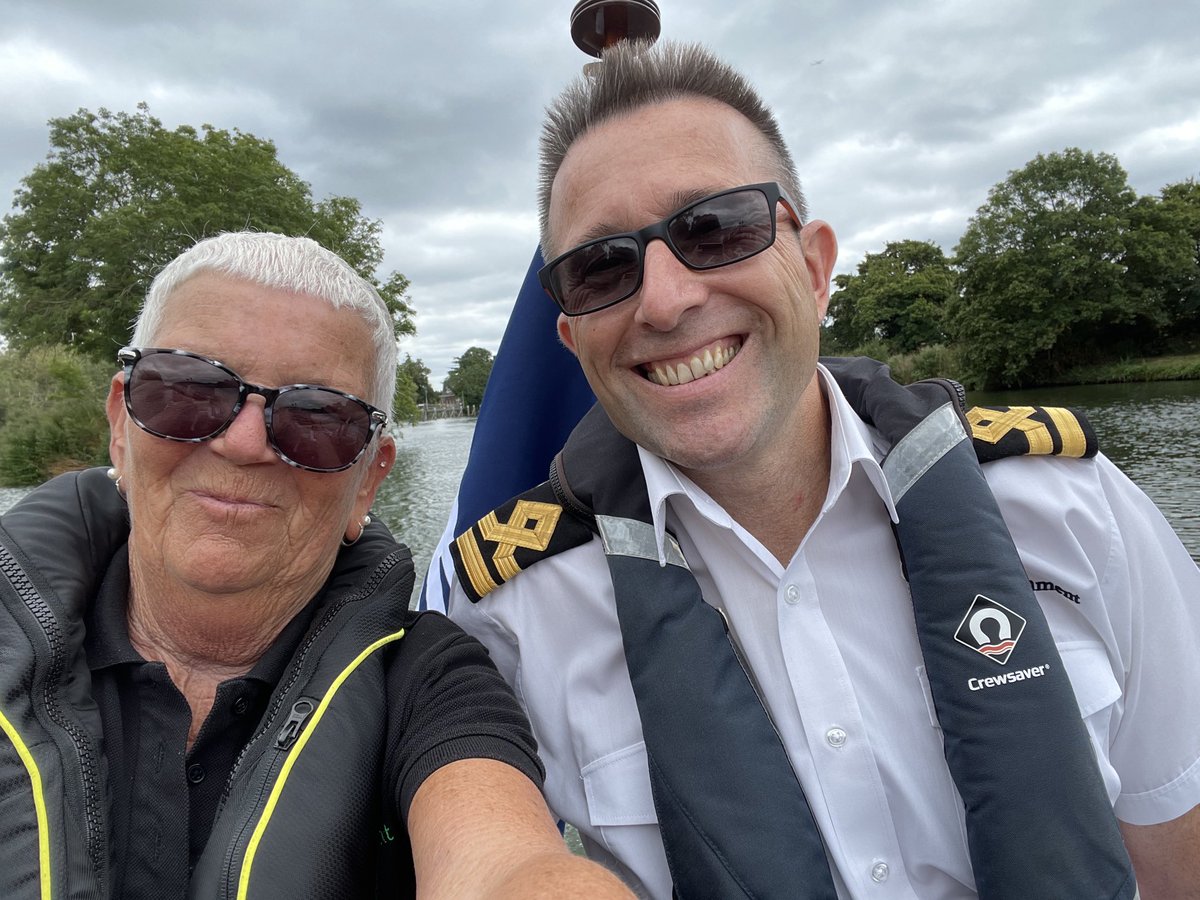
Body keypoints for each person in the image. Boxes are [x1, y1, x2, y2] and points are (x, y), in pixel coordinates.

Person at [440, 41, 1200, 899]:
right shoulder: (506, 615)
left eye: (714, 228)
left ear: (814, 265)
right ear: (572, 339)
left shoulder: (1066, 507)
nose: (665, 301)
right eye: (600, 267)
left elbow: (1177, 845)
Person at [0, 231, 634, 899]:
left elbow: (505, 865)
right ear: (121, 425)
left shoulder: (431, 684)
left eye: (317, 419)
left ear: (367, 479)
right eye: (187, 390)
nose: (242, 443)